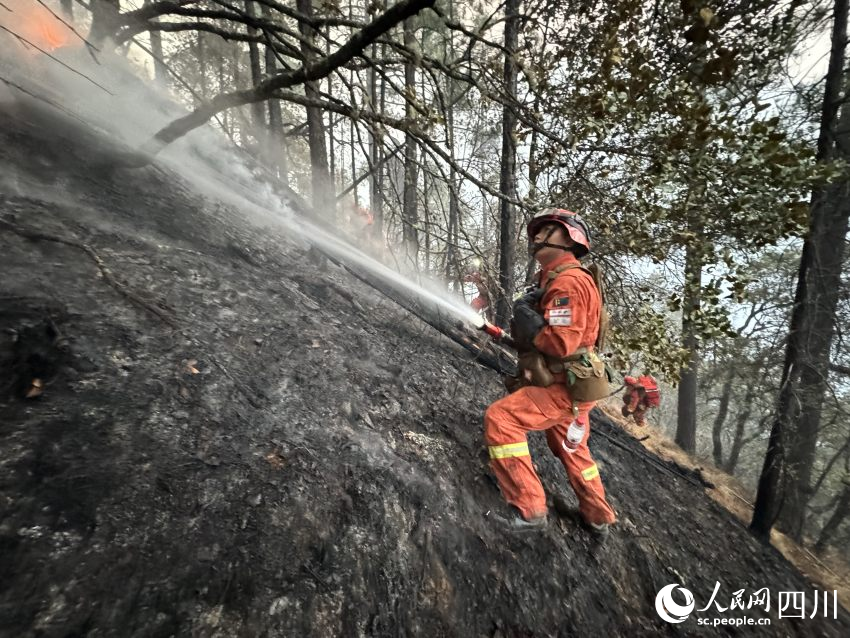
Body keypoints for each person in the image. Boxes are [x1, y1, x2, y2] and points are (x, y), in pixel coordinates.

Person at [484, 208, 617, 534]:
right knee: (571, 449)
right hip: (574, 386)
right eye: (537, 231)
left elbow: (561, 344)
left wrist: (530, 320)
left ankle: (530, 510)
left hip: (561, 387)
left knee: (502, 420)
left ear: (571, 238)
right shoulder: (558, 279)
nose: (538, 236)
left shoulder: (569, 283)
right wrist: (505, 332)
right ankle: (598, 516)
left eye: (548, 230)